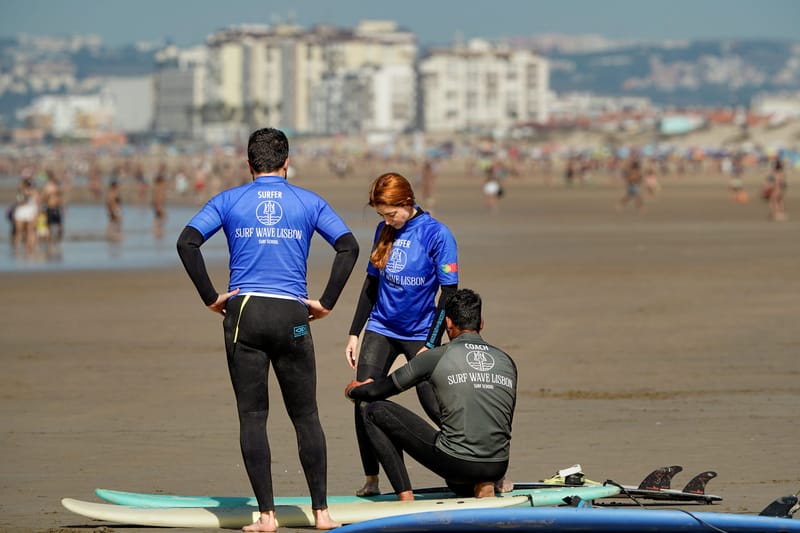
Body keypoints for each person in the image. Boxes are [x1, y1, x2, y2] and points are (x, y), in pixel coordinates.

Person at [176, 127, 359, 532]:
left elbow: (187, 242)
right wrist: (326, 302)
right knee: (306, 415)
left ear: (248, 164)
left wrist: (211, 297)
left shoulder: (229, 200)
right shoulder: (309, 202)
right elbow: (349, 247)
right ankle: (322, 514)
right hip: (293, 316)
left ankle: (267, 516)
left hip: (245, 314)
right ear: (287, 161)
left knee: (253, 416)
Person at [345, 172, 459, 497]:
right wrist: (355, 333)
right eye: (382, 215)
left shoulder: (437, 234)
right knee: (363, 399)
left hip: (420, 332)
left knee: (435, 406)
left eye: (391, 213)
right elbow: (371, 285)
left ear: (407, 203)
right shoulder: (384, 230)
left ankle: (475, 464)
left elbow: (448, 294)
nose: (387, 220)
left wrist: (430, 344)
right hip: (381, 328)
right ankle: (373, 479)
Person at [345, 288, 517, 500]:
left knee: (373, 410)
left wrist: (356, 389)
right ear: (481, 323)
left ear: (448, 324)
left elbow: (379, 390)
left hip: (457, 465)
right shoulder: (506, 361)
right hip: (498, 465)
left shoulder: (436, 357)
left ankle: (405, 495)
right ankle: (485, 484)